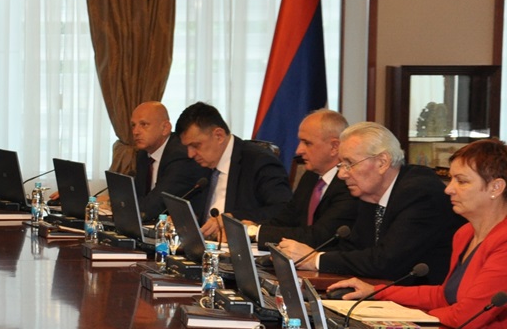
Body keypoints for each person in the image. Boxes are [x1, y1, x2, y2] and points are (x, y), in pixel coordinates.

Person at [328, 139, 507, 329]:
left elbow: (467, 317)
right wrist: (376, 291)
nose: (449, 189)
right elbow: (444, 295)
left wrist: (411, 317)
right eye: (451, 179)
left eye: (462, 181)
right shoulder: (464, 233)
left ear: (496, 187)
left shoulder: (503, 242)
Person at [278, 122, 461, 282]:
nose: (341, 174)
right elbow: (353, 248)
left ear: (382, 162)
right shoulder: (369, 194)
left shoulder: (420, 193)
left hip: (423, 300)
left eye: (349, 163)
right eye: (341, 165)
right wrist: (305, 256)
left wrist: (315, 259)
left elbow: (386, 261)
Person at [175, 101, 293, 238]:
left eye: (196, 146)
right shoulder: (202, 163)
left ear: (219, 136)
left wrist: (233, 218)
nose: (190, 154)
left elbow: (283, 211)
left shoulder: (259, 162)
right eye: (187, 147)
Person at [246, 109, 359, 246]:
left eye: (307, 143)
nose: (298, 150)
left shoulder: (349, 183)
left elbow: (318, 236)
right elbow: (285, 220)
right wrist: (251, 227)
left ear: (334, 147)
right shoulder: (311, 176)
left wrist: (256, 232)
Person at [129, 101, 211, 222]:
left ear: (165, 128)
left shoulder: (181, 156)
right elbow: (137, 197)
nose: (135, 132)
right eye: (133, 125)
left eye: (144, 124)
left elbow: (151, 207)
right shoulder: (143, 154)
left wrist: (119, 206)